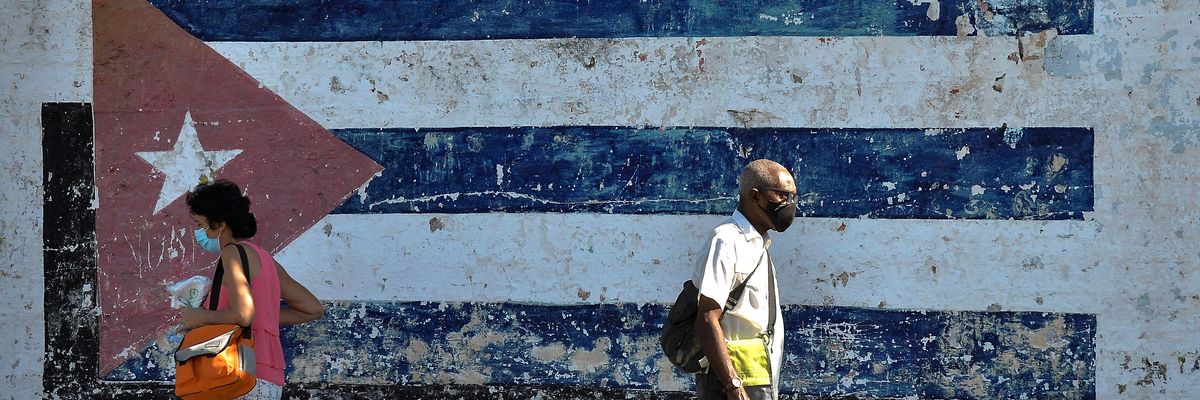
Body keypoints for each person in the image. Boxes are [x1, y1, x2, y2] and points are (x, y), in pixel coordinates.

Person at [180, 179, 325, 399]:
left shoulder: (231, 254)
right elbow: (312, 308)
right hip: (267, 380)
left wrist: (200, 317)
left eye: (200, 224)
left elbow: (243, 314)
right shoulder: (264, 258)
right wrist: (263, 318)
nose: (198, 232)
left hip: (235, 374)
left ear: (220, 224)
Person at [693, 159, 795, 400]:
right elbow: (708, 316)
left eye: (793, 197)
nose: (790, 204)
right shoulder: (726, 240)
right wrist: (733, 385)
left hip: (758, 375)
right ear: (755, 197)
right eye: (782, 195)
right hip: (732, 383)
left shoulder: (759, 245)